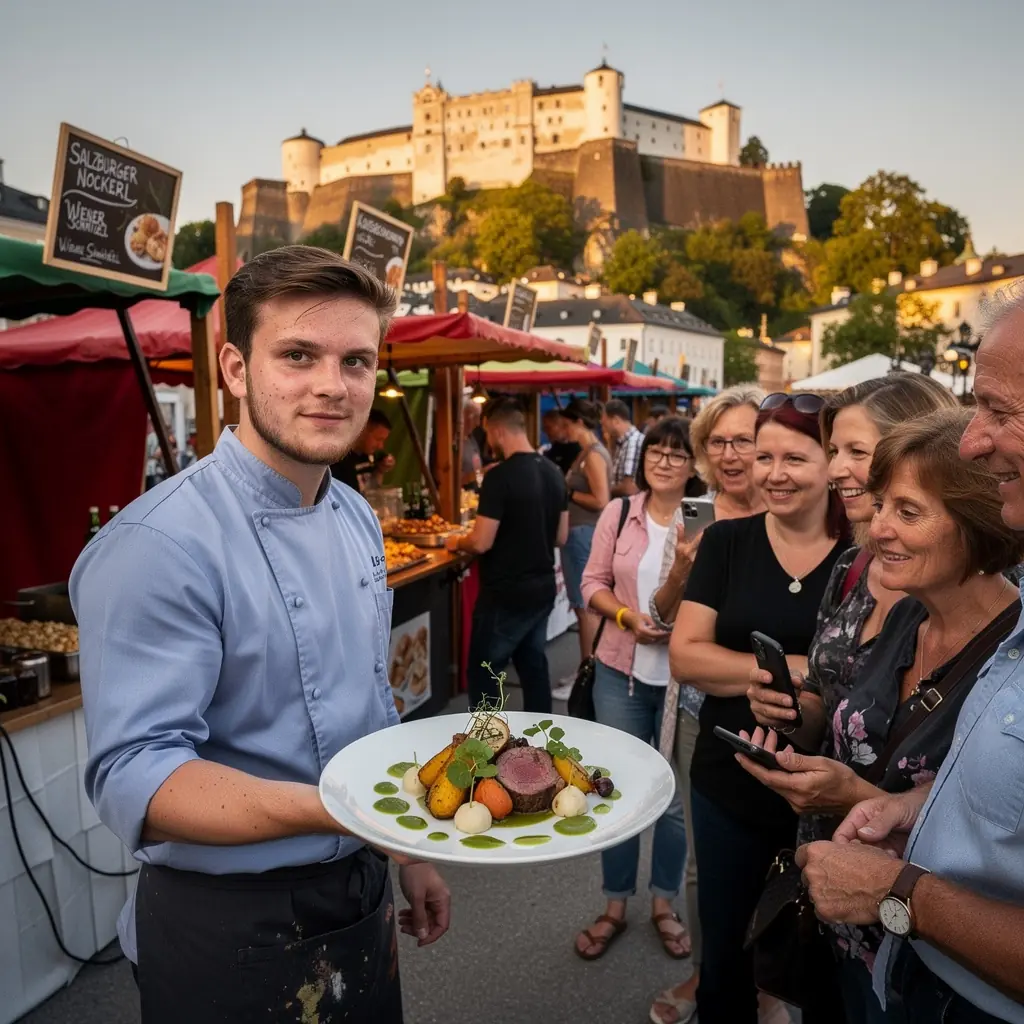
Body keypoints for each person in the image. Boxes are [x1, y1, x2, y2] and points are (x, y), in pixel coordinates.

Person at [70, 247, 450, 1024]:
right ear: (236, 369)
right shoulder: (159, 544)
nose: (332, 385)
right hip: (227, 918)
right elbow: (138, 775)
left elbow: (371, 699)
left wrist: (403, 850)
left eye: (356, 360)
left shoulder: (354, 516)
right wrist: (344, 808)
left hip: (360, 884)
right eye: (298, 356)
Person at [741, 407, 1022, 1023]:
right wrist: (795, 719)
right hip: (847, 925)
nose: (877, 529)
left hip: (945, 970)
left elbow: (988, 843)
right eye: (881, 505)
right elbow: (852, 725)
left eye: (908, 512)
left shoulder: (1009, 655)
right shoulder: (908, 614)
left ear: (978, 525)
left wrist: (850, 795)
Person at [798, 297, 1024, 1024]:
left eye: (997, 410)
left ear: (975, 525)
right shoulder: (910, 615)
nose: (975, 439)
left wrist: (898, 893)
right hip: (899, 974)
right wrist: (906, 808)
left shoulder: (997, 627)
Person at [669, 392, 850, 1024]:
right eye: (764, 456)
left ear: (831, 463)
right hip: (731, 778)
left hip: (828, 788)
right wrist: (792, 668)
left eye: (794, 458)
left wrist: (746, 669)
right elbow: (685, 655)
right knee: (724, 960)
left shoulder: (863, 552)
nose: (774, 473)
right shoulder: (726, 541)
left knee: (822, 961)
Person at [648, 384, 767, 1024]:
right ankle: (709, 973)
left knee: (778, 854)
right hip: (700, 709)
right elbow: (662, 616)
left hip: (783, 716)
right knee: (708, 861)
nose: (729, 454)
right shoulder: (695, 517)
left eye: (743, 440)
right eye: (717, 442)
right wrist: (682, 569)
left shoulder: (797, 512)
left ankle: (767, 981)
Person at [573, 418, 697, 963]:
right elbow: (591, 584)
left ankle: (664, 903)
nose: (664, 461)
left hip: (682, 682)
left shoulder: (708, 520)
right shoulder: (620, 512)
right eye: (656, 451)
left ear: (693, 465)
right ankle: (615, 904)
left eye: (677, 453)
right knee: (616, 791)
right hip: (618, 673)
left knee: (672, 803)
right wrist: (626, 617)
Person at [447, 398, 568, 712]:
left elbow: (481, 542)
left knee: (485, 670)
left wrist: (455, 542)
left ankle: (485, 738)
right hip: (542, 587)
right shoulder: (554, 472)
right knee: (533, 664)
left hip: (505, 592)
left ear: (498, 431)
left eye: (488, 434)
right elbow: (561, 536)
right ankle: (542, 734)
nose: (488, 442)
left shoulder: (499, 477)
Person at [557, 398, 613, 700]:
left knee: (585, 607)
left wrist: (569, 493)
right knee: (584, 608)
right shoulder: (589, 451)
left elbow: (601, 499)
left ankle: (587, 674)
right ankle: (586, 669)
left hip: (583, 534)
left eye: (566, 424)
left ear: (578, 422)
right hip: (580, 533)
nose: (563, 430)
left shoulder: (592, 454)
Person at [330, 407, 395, 492]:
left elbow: (372, 491)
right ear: (363, 430)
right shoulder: (338, 460)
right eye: (378, 439)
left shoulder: (369, 456)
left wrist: (380, 470)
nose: (380, 446)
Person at [602, 398, 645, 497]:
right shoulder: (622, 443)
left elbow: (629, 488)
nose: (603, 429)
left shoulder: (632, 443)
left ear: (616, 421)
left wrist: (604, 491)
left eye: (604, 424)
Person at [541, 407, 581, 475]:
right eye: (544, 428)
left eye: (548, 427)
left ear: (561, 426)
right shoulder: (554, 448)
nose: (545, 431)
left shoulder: (577, 449)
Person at [460, 401, 485, 488]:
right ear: (463, 415)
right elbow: (450, 479)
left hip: (475, 494)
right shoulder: (453, 442)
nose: (477, 423)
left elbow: (478, 469)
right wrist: (482, 472)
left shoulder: (472, 439)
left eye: (478, 418)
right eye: (475, 417)